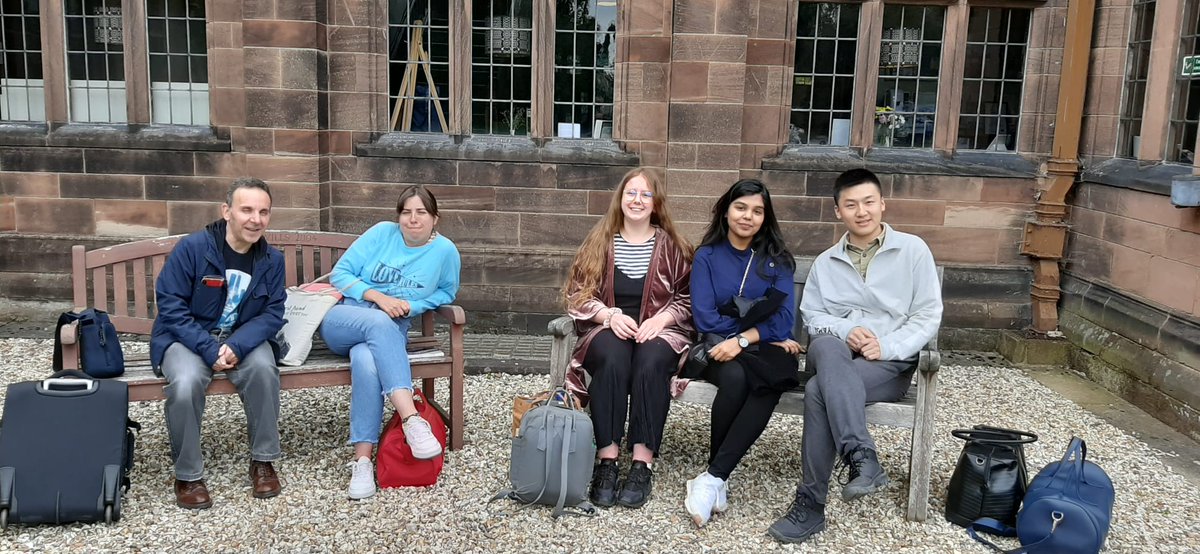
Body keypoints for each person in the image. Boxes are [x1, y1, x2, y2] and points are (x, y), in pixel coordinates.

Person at [767, 168, 942, 544]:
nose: (861, 211)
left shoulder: (912, 250)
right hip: (838, 355)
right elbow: (813, 315)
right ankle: (862, 457)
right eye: (851, 205)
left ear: (882, 204)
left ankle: (812, 504)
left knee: (817, 392)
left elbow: (927, 314)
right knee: (826, 343)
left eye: (868, 202)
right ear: (838, 212)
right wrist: (847, 331)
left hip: (887, 364)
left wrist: (889, 346)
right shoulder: (827, 263)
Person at [150, 177, 287, 510]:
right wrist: (209, 349)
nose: (256, 219)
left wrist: (238, 346)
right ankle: (188, 474)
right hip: (186, 336)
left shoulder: (272, 259)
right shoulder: (193, 249)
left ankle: (263, 460)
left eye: (263, 212)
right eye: (247, 210)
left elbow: (272, 314)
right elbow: (170, 305)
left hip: (242, 338)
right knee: (185, 382)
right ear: (227, 211)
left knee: (265, 370)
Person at [562, 167, 693, 509]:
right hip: (608, 330)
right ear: (620, 200)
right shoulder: (599, 242)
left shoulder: (674, 246)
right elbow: (577, 294)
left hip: (659, 333)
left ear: (656, 203)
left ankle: (641, 464)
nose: (637, 200)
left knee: (651, 360)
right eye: (631, 193)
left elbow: (688, 298)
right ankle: (607, 461)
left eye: (645, 194)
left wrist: (663, 319)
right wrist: (608, 315)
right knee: (613, 355)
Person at [320, 185, 461, 500]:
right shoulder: (382, 234)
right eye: (406, 212)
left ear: (435, 218)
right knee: (380, 323)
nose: (412, 219)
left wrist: (414, 307)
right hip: (345, 319)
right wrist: (378, 297)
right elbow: (339, 274)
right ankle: (411, 419)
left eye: (421, 212)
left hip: (388, 333)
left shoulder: (445, 252)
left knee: (366, 361)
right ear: (398, 216)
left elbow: (447, 293)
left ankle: (362, 460)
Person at [685, 179, 802, 527]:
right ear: (726, 210)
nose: (747, 216)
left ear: (765, 218)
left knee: (771, 380)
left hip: (752, 348)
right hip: (714, 347)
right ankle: (717, 477)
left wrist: (744, 339)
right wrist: (755, 333)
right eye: (741, 207)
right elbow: (705, 317)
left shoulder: (777, 261)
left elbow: (785, 321)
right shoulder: (706, 256)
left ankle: (712, 478)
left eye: (757, 211)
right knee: (736, 378)